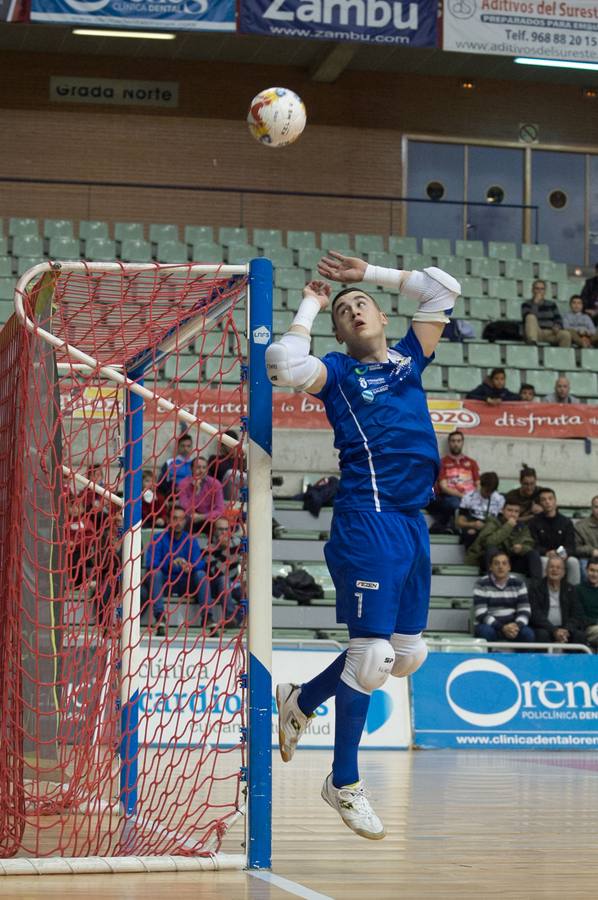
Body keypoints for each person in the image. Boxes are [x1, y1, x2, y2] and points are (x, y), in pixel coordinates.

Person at [265, 249, 460, 839]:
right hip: (366, 518)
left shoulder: (407, 358)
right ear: (340, 332)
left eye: (362, 305)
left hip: (410, 521)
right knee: (371, 656)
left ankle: (301, 699)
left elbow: (441, 289)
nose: (353, 311)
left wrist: (369, 273)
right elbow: (280, 362)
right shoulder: (338, 373)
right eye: (344, 311)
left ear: (378, 314)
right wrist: (311, 305)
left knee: (407, 656)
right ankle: (343, 781)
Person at [144, 505, 210, 635]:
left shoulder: (191, 540)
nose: (178, 523)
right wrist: (171, 564)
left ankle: (208, 617)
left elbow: (200, 563)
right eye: (174, 518)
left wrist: (189, 566)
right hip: (164, 583)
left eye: (181, 519)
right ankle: (160, 617)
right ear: (168, 520)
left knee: (201, 574)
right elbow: (151, 563)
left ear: (185, 521)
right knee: (155, 574)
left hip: (184, 583)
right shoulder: (158, 538)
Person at [465, 499, 542, 580]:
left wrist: (521, 548)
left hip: (511, 561)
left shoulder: (522, 527)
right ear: (502, 510)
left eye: (516, 511)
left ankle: (536, 589)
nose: (513, 514)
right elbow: (488, 543)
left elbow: (529, 544)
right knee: (492, 550)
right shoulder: (492, 522)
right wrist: (508, 526)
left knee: (533, 554)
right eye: (510, 510)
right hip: (488, 561)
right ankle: (493, 585)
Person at [473, 551, 534, 646]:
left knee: (528, 634)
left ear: (509, 567)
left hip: (513, 626)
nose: (500, 567)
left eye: (504, 563)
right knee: (485, 632)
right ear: (490, 567)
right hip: (491, 626)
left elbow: (525, 611)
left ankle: (522, 661)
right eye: (496, 563)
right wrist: (502, 627)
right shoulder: (481, 584)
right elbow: (481, 614)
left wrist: (516, 626)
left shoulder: (519, 583)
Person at [428, 430, 480, 534]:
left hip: (471, 497)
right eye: (453, 441)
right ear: (449, 443)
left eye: (458, 441)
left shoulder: (471, 462)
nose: (456, 444)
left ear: (462, 442)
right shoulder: (442, 462)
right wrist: (463, 496)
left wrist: (474, 496)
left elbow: (478, 484)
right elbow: (444, 487)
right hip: (451, 496)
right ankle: (452, 526)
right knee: (453, 503)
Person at [529, 556, 587, 647]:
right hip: (545, 628)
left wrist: (566, 630)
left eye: (558, 568)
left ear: (563, 572)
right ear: (546, 570)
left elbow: (577, 614)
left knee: (579, 636)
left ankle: (576, 662)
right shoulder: (536, 588)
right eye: (551, 567)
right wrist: (554, 630)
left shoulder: (570, 589)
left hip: (565, 629)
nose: (554, 570)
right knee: (541, 635)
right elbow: (535, 614)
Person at [529, 488, 580, 585]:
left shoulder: (566, 522)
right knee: (543, 561)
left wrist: (559, 552)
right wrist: (546, 552)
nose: (547, 502)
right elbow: (533, 544)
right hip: (545, 555)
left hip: (562, 555)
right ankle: (543, 592)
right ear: (540, 503)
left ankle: (573, 593)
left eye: (550, 498)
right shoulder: (534, 522)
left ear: (555, 501)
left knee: (573, 562)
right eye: (543, 500)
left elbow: (571, 546)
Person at [205, 516, 243, 627]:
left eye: (227, 529)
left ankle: (234, 620)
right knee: (223, 578)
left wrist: (229, 546)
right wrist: (228, 551)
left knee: (252, 595)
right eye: (221, 529)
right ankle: (229, 616)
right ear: (214, 531)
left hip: (235, 584)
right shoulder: (208, 549)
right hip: (217, 586)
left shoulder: (236, 543)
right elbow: (215, 572)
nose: (224, 532)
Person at [455, 471, 504, 549]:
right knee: (471, 534)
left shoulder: (500, 499)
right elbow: (460, 522)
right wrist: (472, 524)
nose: (488, 494)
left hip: (491, 527)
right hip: (473, 524)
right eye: (487, 491)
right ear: (481, 486)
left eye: (491, 492)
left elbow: (501, 521)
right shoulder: (469, 497)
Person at [179, 455, 225, 534]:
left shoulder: (215, 484)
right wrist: (196, 491)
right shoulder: (184, 484)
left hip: (208, 518)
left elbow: (220, 509)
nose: (201, 471)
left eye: (204, 468)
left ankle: (211, 545)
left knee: (218, 522)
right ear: (191, 469)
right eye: (198, 467)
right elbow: (184, 507)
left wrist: (203, 517)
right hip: (191, 518)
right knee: (186, 520)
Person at [521, 280, 571, 347]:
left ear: (545, 291)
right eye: (537, 288)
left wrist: (557, 326)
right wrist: (535, 304)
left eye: (542, 289)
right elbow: (526, 319)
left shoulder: (551, 304)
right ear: (532, 290)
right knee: (530, 317)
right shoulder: (526, 304)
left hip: (550, 332)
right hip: (536, 332)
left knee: (566, 335)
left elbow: (558, 319)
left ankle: (563, 356)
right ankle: (532, 345)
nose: (539, 291)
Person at [574, 494, 598, 579]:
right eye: (596, 507)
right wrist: (592, 551)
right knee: (585, 566)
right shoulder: (581, 526)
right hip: (588, 559)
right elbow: (576, 548)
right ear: (591, 508)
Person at [576, 559, 598, 650]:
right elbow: (579, 617)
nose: (595, 574)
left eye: (597, 571)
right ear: (586, 570)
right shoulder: (578, 589)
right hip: (588, 628)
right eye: (592, 570)